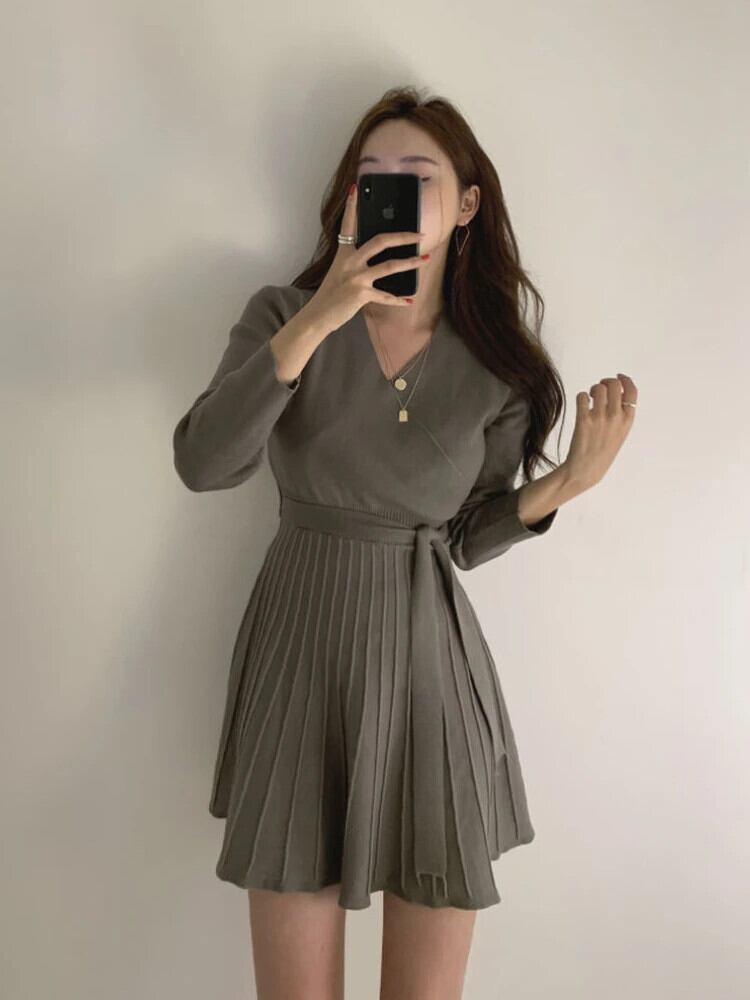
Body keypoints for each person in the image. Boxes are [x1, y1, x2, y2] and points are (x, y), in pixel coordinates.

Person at [172, 85, 637, 1000]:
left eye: (416, 177)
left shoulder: (496, 365)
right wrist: (320, 316)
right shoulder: (282, 314)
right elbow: (203, 462)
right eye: (369, 177)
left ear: (467, 205)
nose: (387, 192)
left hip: (431, 676)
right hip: (299, 661)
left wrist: (565, 485)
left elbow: (464, 536)